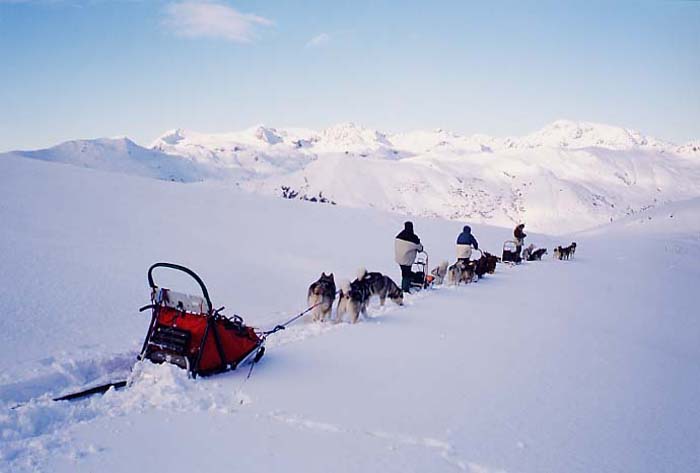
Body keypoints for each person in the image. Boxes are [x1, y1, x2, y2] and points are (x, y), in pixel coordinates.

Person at [394, 221, 423, 292]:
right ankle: (405, 289)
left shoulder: (399, 235)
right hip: (407, 260)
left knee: (404, 272)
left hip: (399, 258)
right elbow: (420, 248)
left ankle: (407, 283)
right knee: (406, 274)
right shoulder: (413, 238)